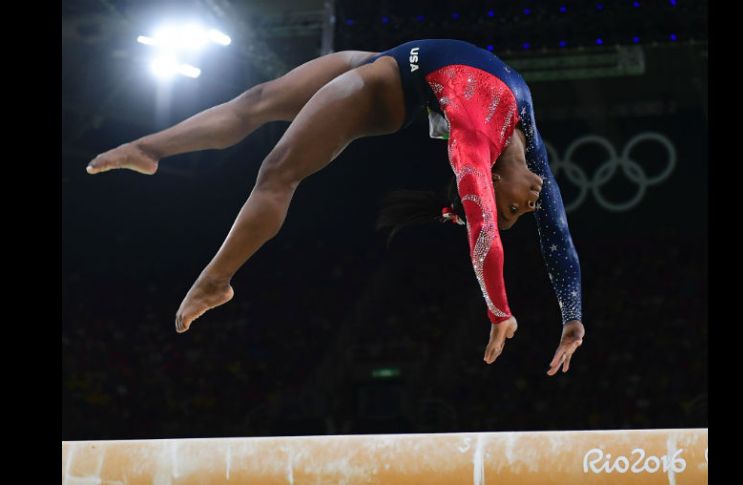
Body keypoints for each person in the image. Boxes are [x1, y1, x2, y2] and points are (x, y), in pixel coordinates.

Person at [86, 39, 584, 374]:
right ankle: (150, 149)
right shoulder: (530, 143)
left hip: (382, 91)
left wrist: (500, 311)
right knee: (256, 100)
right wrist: (572, 316)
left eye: (514, 213)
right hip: (388, 59)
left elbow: (485, 234)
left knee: (277, 172)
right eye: (515, 213)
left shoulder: (471, 150)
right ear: (496, 177)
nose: (527, 208)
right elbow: (557, 235)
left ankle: (216, 281)